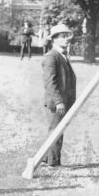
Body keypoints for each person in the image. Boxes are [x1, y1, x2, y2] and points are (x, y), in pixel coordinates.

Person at [41, 23, 77, 168]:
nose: (66, 39)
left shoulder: (62, 55)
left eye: (67, 36)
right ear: (54, 39)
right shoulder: (51, 56)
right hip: (56, 102)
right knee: (56, 131)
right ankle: (53, 163)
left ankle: (46, 159)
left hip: (63, 101)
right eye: (63, 36)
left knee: (56, 130)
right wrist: (58, 101)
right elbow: (50, 82)